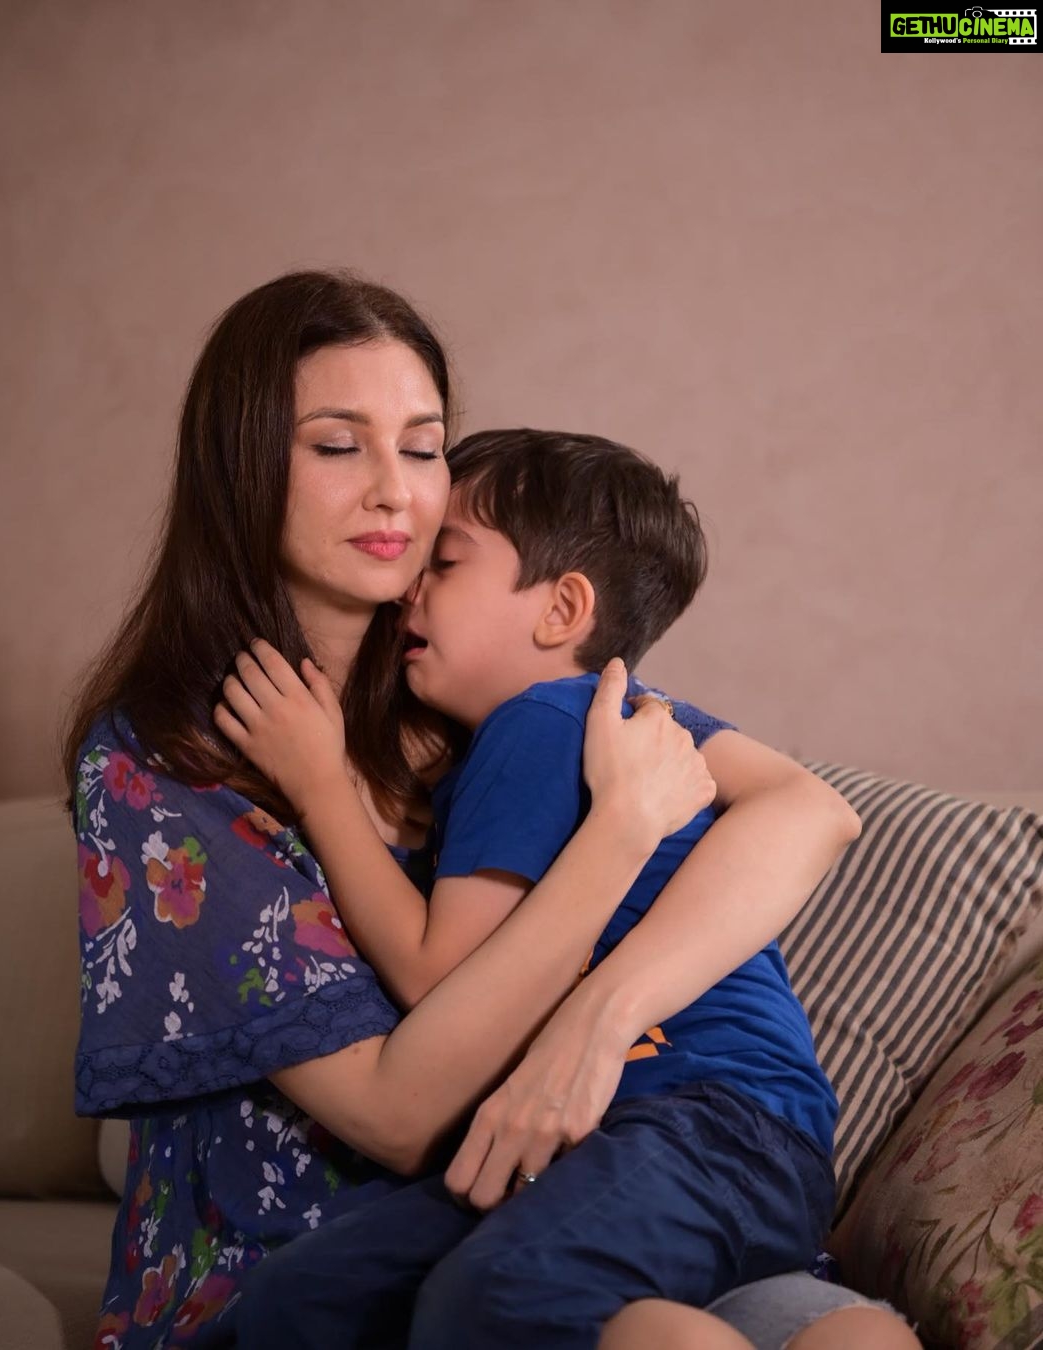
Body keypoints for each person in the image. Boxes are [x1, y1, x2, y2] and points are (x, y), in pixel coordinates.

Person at [64, 270, 917, 1350]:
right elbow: (398, 1113)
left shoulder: (492, 692)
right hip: (353, 1233)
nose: (396, 493)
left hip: (591, 1169)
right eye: (339, 446)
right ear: (243, 468)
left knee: (815, 1323)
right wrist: (617, 834)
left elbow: (804, 809)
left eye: (423, 448)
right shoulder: (164, 760)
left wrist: (601, 1019)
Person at [218, 428, 837, 1349]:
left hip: (713, 1123)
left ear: (562, 610)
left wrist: (319, 784)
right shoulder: (582, 724)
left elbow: (442, 978)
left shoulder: (543, 720)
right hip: (591, 1145)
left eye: (445, 563)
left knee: (499, 1297)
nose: (410, 590)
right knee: (303, 1301)